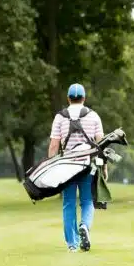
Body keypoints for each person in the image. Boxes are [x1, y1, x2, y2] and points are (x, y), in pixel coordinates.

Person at [48, 83, 106, 252]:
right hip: (87, 165)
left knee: (69, 203)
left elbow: (54, 145)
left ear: (68, 98)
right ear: (84, 98)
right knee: (88, 201)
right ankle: (85, 226)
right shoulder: (94, 116)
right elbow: (100, 145)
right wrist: (104, 168)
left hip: (67, 167)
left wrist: (52, 166)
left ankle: (72, 244)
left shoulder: (60, 117)